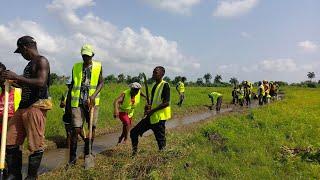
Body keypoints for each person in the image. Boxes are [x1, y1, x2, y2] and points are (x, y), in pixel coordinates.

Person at [1, 36, 51, 179]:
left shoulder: (41, 61)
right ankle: (14, 175)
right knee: (10, 141)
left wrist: (17, 76)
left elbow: (41, 82)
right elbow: (25, 84)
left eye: (21, 52)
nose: (22, 55)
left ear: (25, 48)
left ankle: (31, 177)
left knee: (35, 145)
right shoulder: (29, 65)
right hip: (23, 106)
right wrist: (10, 80)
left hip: (35, 106)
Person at [69, 44, 104, 166]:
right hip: (77, 102)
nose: (85, 58)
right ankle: (72, 159)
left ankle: (88, 152)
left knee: (91, 128)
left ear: (92, 55)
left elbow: (101, 83)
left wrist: (93, 95)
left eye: (88, 56)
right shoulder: (76, 66)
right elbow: (73, 84)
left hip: (92, 103)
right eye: (84, 55)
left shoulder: (98, 66)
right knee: (76, 129)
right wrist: (68, 103)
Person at [130, 66, 171, 156]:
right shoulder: (153, 85)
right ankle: (134, 154)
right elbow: (153, 101)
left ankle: (163, 159)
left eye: (155, 72)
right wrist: (148, 107)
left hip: (159, 119)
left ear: (162, 74)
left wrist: (152, 110)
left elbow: (166, 103)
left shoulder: (165, 85)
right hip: (151, 116)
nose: (153, 74)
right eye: (153, 72)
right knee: (133, 132)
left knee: (161, 142)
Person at [60, 80, 85, 148]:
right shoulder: (65, 93)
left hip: (76, 115)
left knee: (79, 131)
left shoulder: (78, 93)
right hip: (67, 115)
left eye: (71, 85)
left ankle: (87, 143)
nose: (70, 86)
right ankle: (68, 150)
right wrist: (62, 104)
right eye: (69, 85)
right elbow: (61, 105)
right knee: (68, 133)